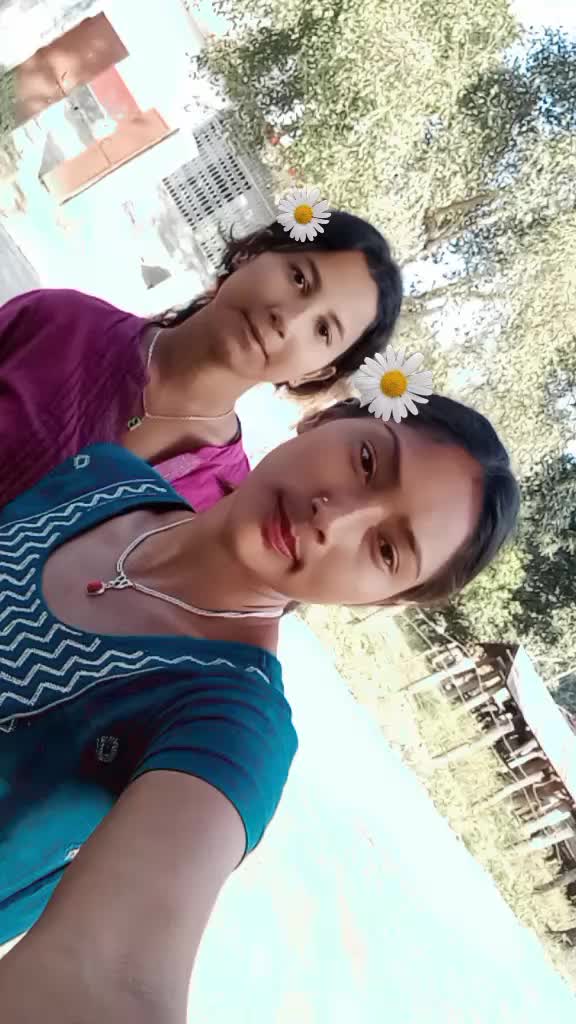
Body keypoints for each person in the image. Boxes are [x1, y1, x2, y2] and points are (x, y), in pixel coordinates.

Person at [0, 394, 519, 1020]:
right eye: (366, 461)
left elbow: (112, 977)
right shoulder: (107, 478)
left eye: (386, 550)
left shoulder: (233, 723)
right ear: (327, 418)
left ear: (384, 600)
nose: (336, 519)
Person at [0, 211, 402, 511]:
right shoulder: (61, 321)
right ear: (253, 254)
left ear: (314, 373)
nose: (289, 318)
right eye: (299, 278)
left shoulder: (223, 503)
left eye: (323, 330)